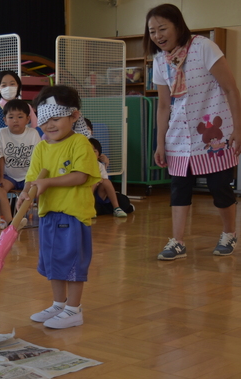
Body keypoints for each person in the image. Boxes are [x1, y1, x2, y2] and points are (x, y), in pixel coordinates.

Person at [145, 3, 241, 260]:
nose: (158, 35)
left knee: (219, 186)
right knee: (179, 187)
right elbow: (164, 105)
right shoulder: (158, 60)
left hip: (214, 132)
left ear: (178, 26)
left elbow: (231, 89)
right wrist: (160, 143)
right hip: (179, 134)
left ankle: (229, 233)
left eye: (163, 28)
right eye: (152, 31)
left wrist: (239, 129)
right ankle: (177, 242)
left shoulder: (204, 47)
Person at [17, 85, 101, 329]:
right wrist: (25, 193)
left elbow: (80, 176)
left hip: (73, 215)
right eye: (45, 121)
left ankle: (74, 310)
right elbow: (32, 179)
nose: (50, 125)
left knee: (72, 263)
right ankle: (59, 304)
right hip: (49, 214)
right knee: (53, 262)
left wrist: (46, 182)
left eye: (56, 119)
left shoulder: (80, 144)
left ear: (74, 116)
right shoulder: (42, 147)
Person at [0, 99, 42, 193]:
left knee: (36, 192)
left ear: (28, 119)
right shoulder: (1, 133)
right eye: (11, 117)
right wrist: (0, 177)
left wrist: (34, 177)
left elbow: (38, 157)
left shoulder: (33, 133)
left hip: (29, 176)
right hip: (8, 177)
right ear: (5, 120)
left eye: (20, 117)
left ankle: (33, 208)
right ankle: (0, 208)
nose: (15, 120)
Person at [0, 70, 38, 142]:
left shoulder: (27, 107)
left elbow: (35, 129)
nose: (8, 88)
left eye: (12, 84)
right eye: (4, 85)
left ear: (18, 85)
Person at [89, 138, 131, 217]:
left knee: (106, 182)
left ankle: (116, 208)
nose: (91, 153)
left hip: (98, 194)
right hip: (85, 193)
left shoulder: (100, 166)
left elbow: (104, 179)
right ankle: (89, 208)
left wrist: (98, 181)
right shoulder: (81, 165)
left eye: (94, 151)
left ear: (98, 155)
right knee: (93, 182)